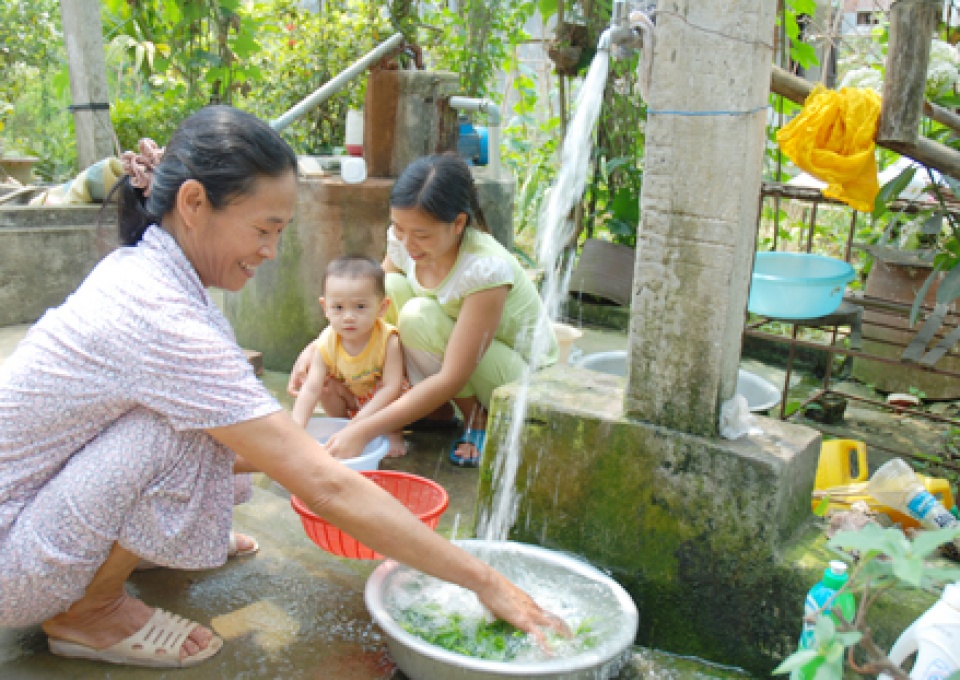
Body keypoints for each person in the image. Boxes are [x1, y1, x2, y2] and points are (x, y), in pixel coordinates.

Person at [0, 107, 565, 669]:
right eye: (263, 229)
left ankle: (148, 548)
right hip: (12, 561)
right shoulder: (158, 313)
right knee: (174, 431)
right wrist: (484, 581)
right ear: (193, 204)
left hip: (32, 511)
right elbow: (327, 489)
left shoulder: (148, 267)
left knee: (211, 422)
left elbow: (262, 447)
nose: (271, 252)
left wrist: (293, 457)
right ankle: (88, 614)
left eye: (280, 232)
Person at [289, 154, 558, 467]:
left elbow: (452, 377)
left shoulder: (486, 269)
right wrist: (316, 347)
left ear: (458, 224)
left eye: (421, 234)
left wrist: (361, 429)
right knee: (387, 287)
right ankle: (435, 411)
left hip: (521, 375)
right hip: (468, 357)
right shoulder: (406, 242)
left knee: (418, 317)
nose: (408, 243)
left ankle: (477, 419)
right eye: (399, 228)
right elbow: (371, 293)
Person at [291, 255, 408, 457]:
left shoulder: (388, 340)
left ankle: (392, 432)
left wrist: (360, 422)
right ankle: (341, 426)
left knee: (398, 394)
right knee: (326, 388)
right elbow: (311, 387)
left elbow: (392, 387)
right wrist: (295, 429)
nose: (348, 317)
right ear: (325, 307)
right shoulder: (326, 343)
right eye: (338, 307)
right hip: (352, 395)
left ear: (382, 308)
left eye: (360, 307)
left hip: (381, 399)